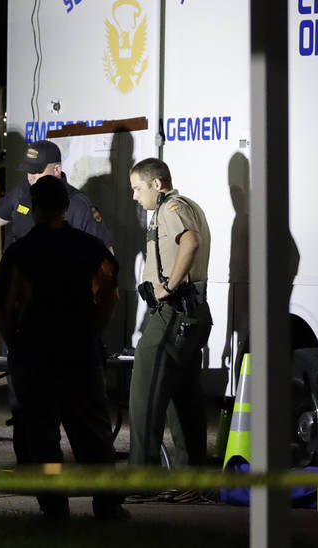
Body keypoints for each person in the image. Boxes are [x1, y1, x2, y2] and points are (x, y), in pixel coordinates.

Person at [0, 175, 126, 520]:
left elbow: (4, 309)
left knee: (44, 437)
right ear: (66, 207)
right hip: (80, 352)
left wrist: (17, 344)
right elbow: (110, 295)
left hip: (37, 356)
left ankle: (54, 506)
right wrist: (93, 328)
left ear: (33, 208)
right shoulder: (90, 248)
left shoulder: (19, 253)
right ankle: (107, 506)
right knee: (94, 435)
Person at [127, 157, 212, 468]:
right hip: (191, 315)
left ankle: (141, 476)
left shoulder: (170, 208)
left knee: (143, 394)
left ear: (156, 184)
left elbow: (190, 242)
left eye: (137, 188)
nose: (135, 196)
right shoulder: (186, 206)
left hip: (174, 313)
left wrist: (168, 287)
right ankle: (192, 478)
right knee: (183, 399)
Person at [0, 139, 111, 250]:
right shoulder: (23, 190)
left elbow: (103, 253)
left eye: (37, 171)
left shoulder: (78, 204)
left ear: (57, 169)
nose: (31, 177)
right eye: (29, 170)